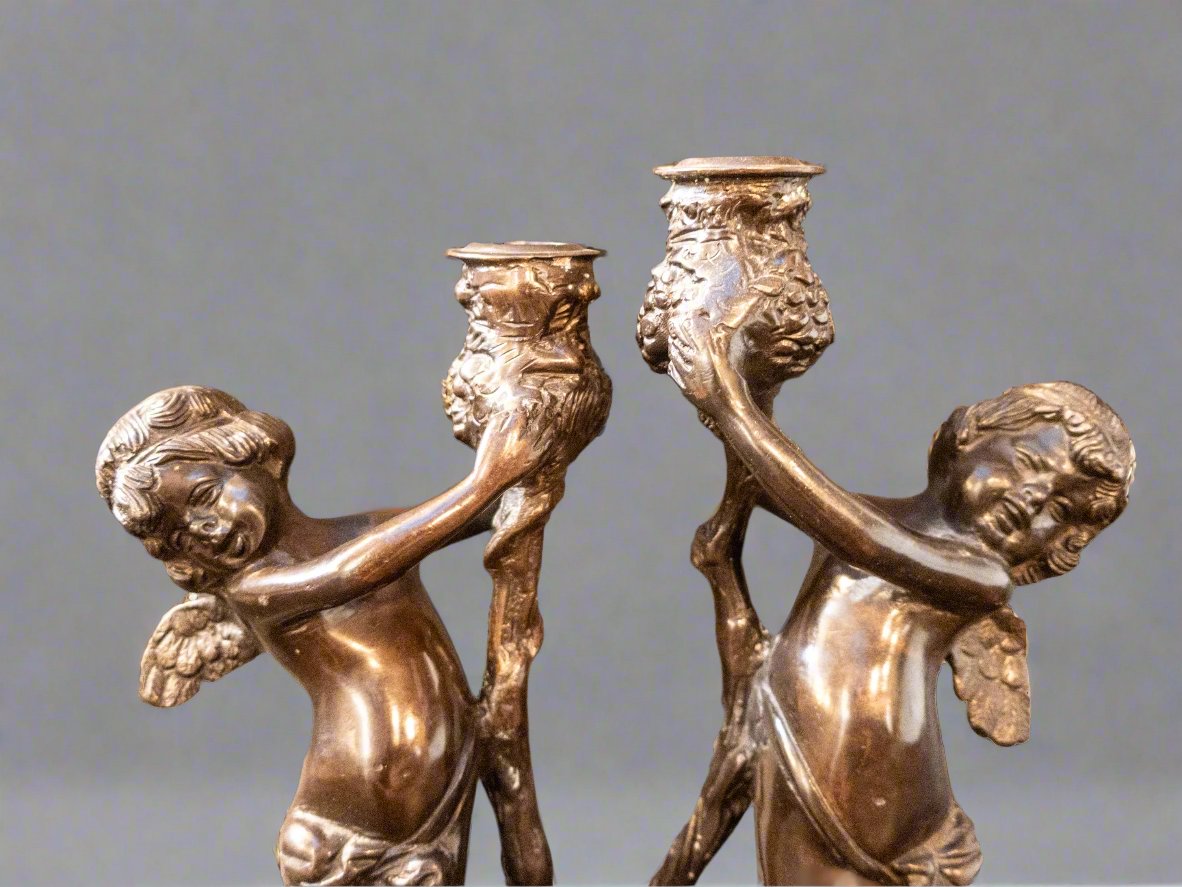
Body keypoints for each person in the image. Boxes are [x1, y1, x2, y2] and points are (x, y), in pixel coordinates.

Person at [651, 310, 1135, 886]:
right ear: (968, 437)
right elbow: (765, 476)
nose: (1031, 500)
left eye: (1058, 509)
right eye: (1029, 463)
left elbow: (857, 534)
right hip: (795, 740)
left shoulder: (978, 577)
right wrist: (737, 371)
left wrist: (731, 403)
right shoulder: (856, 513)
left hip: (876, 799)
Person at [96, 385, 545, 885]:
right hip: (347, 831)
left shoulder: (369, 531)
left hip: (441, 777)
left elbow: (493, 511)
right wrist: (488, 480)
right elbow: (355, 570)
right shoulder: (254, 589)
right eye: (180, 535)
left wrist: (532, 453)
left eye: (205, 495)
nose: (205, 528)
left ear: (258, 454)